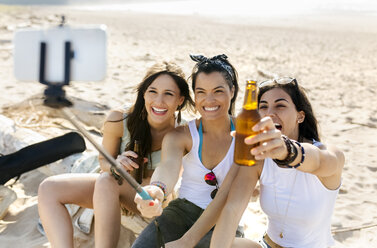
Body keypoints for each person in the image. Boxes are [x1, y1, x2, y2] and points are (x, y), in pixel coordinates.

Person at [166, 77, 345, 248]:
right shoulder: (259, 157)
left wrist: (285, 149)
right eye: (263, 107)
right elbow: (232, 209)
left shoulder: (329, 153)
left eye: (280, 106)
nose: (269, 114)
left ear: (300, 116)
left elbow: (318, 161)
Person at [37, 61, 194, 248]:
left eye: (168, 94)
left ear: (180, 100)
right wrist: (115, 165)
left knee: (106, 181)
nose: (159, 101)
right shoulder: (120, 119)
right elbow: (103, 161)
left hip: (155, 200)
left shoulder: (184, 133)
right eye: (152, 91)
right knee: (49, 188)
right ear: (143, 93)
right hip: (111, 191)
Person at [131, 54, 244, 248]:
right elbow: (168, 167)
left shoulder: (246, 133)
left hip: (225, 220)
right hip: (180, 215)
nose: (209, 100)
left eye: (218, 91)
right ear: (194, 95)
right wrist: (156, 189)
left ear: (232, 91)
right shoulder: (181, 136)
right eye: (201, 92)